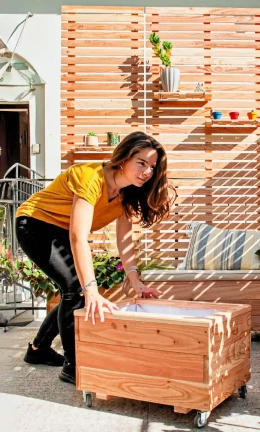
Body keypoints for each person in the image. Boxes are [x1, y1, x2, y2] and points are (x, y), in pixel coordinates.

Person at [15, 131, 174, 384]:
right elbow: (78, 236)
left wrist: (135, 281)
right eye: (141, 163)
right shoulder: (90, 176)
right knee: (76, 288)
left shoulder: (126, 194)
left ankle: (38, 349)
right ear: (124, 158)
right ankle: (74, 366)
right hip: (35, 224)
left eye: (152, 167)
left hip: (62, 231)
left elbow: (124, 240)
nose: (147, 172)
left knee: (73, 290)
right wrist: (90, 290)